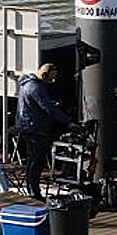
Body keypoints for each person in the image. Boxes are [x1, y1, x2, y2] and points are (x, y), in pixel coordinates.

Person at [16, 62, 76, 201]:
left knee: (34, 160)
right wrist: (67, 122)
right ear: (44, 75)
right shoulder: (35, 87)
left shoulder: (27, 84)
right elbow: (47, 107)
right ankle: (33, 192)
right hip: (34, 127)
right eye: (51, 79)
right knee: (36, 160)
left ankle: (32, 189)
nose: (52, 82)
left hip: (28, 125)